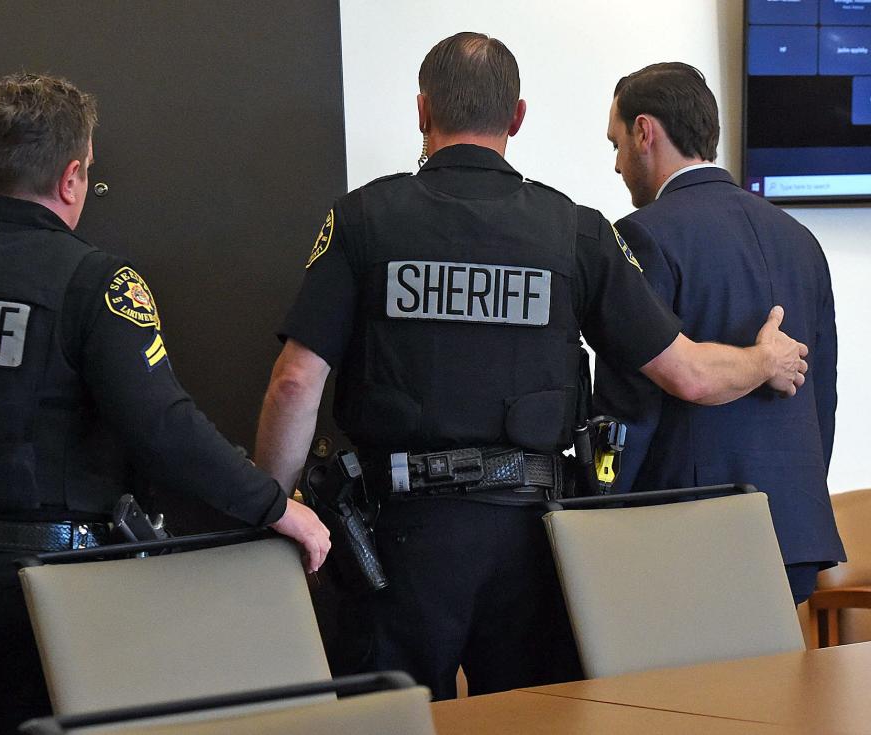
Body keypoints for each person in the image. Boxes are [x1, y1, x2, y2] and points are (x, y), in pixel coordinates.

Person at [254, 33, 808, 700]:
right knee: (532, 719)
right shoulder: (575, 229)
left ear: (422, 110)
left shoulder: (361, 219)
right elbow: (687, 372)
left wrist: (275, 508)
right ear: (516, 117)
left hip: (395, 542)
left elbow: (295, 381)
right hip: (531, 542)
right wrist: (764, 357)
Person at [0, 73, 330, 734]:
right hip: (45, 601)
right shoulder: (97, 282)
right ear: (72, 177)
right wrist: (275, 506)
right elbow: (164, 427)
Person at [592, 62, 844, 605]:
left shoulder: (642, 235)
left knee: (670, 693)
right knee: (773, 692)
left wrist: (600, 508)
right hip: (794, 526)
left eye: (615, 143)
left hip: (688, 533)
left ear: (644, 131)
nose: (616, 165)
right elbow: (822, 395)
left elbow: (626, 406)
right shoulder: (800, 238)